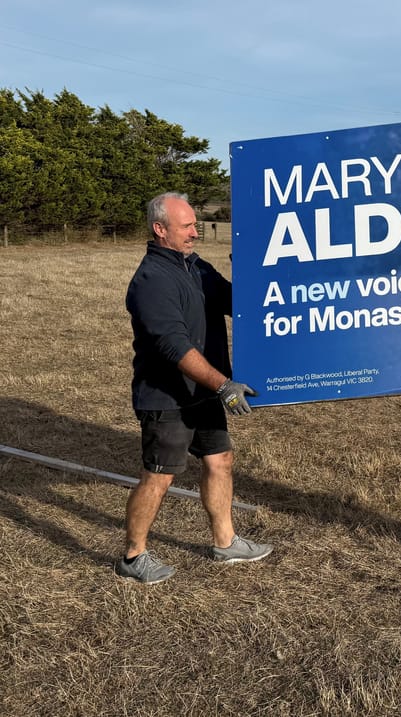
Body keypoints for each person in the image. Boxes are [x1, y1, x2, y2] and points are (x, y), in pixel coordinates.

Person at [116, 192, 271, 584]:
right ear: (160, 229)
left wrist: (251, 270)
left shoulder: (194, 267)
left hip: (205, 392)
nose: (195, 233)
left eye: (195, 224)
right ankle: (134, 556)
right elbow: (173, 346)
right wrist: (223, 384)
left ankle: (225, 542)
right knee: (160, 476)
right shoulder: (151, 280)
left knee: (220, 461)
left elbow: (236, 302)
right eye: (187, 226)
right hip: (166, 396)